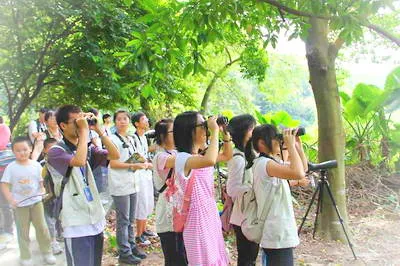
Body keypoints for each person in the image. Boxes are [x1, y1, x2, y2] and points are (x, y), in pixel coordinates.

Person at [46, 105, 119, 266]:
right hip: (75, 222)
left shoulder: (87, 149)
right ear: (63, 125)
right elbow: (78, 161)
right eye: (76, 122)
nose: (81, 125)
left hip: (94, 218)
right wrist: (85, 132)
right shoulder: (56, 151)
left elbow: (115, 155)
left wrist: (98, 130)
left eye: (82, 120)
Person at [173, 112, 232, 266]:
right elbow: (210, 160)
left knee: (215, 256)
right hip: (196, 219)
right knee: (204, 259)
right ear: (190, 131)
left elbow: (226, 155)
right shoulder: (182, 158)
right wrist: (215, 131)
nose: (206, 129)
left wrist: (224, 133)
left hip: (209, 213)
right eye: (202, 125)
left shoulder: (198, 157)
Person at [251, 124, 308, 266]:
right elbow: (298, 173)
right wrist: (290, 146)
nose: (278, 141)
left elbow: (303, 168)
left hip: (278, 231)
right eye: (275, 138)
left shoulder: (270, 162)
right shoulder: (265, 164)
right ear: (262, 143)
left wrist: (296, 146)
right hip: (276, 232)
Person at [0, 136, 56, 266]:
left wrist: (42, 190)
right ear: (13, 152)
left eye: (25, 149)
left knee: (42, 228)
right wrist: (11, 200)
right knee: (23, 231)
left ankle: (47, 252)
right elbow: (4, 185)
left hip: (36, 203)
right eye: (18, 150)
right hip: (20, 205)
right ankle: (25, 256)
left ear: (30, 149)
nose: (22, 152)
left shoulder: (36, 165)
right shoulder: (11, 168)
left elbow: (41, 182)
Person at [108, 110, 147, 265]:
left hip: (133, 182)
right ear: (115, 122)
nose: (122, 121)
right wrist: (134, 164)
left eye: (125, 119)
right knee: (123, 220)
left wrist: (144, 162)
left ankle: (131, 246)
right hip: (120, 184)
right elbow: (114, 163)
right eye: (119, 119)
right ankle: (124, 252)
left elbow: (134, 155)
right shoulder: (112, 139)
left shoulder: (130, 138)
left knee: (130, 219)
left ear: (129, 121)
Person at [152, 118, 188, 266]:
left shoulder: (175, 152)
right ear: (162, 136)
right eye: (174, 131)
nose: (178, 134)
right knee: (174, 258)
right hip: (168, 214)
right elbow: (188, 159)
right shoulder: (161, 157)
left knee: (183, 256)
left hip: (179, 211)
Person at [226, 114, 259, 266]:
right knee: (246, 257)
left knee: (250, 256)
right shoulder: (238, 158)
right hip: (242, 215)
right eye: (253, 128)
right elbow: (232, 189)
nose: (255, 131)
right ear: (245, 132)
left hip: (249, 213)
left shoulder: (250, 154)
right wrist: (253, 189)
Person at [131, 112, 155, 246]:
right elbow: (133, 155)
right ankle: (138, 235)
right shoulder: (132, 138)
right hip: (138, 175)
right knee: (141, 203)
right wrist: (146, 162)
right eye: (144, 120)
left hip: (146, 173)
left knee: (147, 201)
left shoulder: (143, 138)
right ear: (137, 124)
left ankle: (144, 229)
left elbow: (145, 152)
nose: (147, 121)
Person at [40, 138, 63, 255]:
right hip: (48, 198)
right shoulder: (42, 166)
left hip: (59, 196)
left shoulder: (62, 163)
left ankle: (60, 235)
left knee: (59, 218)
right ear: (44, 150)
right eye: (50, 149)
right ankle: (53, 243)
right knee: (50, 221)